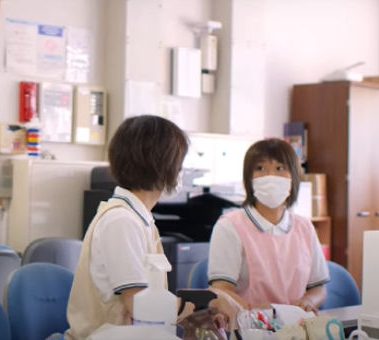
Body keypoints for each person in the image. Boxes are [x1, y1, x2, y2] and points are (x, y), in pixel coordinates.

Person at [64, 115, 239, 340]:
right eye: (179, 163)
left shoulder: (138, 218)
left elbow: (149, 299)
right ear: (162, 165)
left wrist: (200, 309)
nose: (180, 172)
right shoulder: (122, 221)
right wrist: (207, 302)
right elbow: (137, 303)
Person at [208, 138, 329, 313]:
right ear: (248, 179)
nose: (270, 176)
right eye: (260, 168)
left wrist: (308, 301)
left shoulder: (304, 227)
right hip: (248, 327)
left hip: (296, 326)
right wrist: (258, 312)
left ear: (293, 177)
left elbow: (318, 288)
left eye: (280, 168)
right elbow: (221, 290)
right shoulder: (230, 226)